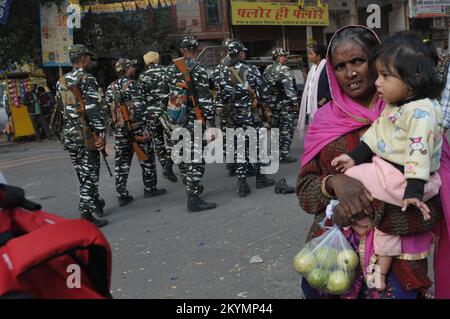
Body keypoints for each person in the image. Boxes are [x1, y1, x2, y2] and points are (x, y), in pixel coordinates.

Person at [297, 25, 450, 299]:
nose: (351, 73)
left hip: (402, 261)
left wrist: (374, 209)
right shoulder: (324, 121)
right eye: (340, 65)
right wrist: (335, 184)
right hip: (337, 257)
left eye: (358, 60)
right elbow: (305, 192)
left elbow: (433, 198)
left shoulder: (416, 116)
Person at [160, 35, 217, 212]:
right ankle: (193, 199)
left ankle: (191, 189)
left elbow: (163, 97)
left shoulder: (169, 70)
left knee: (184, 157)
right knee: (197, 158)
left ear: (182, 50)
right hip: (194, 119)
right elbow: (205, 98)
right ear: (196, 49)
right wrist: (211, 124)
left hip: (175, 118)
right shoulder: (197, 68)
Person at [55, 45, 108, 227]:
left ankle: (94, 203)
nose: (90, 61)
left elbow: (61, 109)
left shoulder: (60, 81)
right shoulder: (87, 79)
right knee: (90, 175)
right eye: (88, 57)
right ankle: (86, 214)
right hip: (86, 134)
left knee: (82, 173)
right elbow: (93, 109)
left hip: (69, 134)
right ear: (83, 58)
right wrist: (100, 135)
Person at [216, 40, 275, 197]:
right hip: (250, 116)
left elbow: (220, 97)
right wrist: (260, 101)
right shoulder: (251, 69)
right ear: (240, 53)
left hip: (233, 117)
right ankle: (260, 178)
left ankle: (242, 184)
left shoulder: (222, 72)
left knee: (239, 149)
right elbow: (264, 93)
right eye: (243, 52)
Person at [106, 58, 167, 207]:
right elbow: (140, 108)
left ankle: (121, 195)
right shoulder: (133, 85)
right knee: (147, 160)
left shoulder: (111, 87)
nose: (134, 68)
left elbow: (108, 110)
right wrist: (147, 127)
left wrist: (114, 128)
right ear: (126, 69)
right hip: (137, 128)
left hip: (120, 130)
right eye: (131, 66)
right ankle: (150, 188)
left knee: (121, 163)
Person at [139, 51, 177, 183]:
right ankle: (168, 165)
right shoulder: (165, 72)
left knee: (158, 141)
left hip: (150, 114)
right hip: (164, 112)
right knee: (174, 139)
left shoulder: (142, 76)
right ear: (157, 59)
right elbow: (172, 92)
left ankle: (165, 166)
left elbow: (141, 98)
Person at [264, 48, 299, 163]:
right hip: (284, 104)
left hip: (273, 104)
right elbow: (289, 89)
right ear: (277, 57)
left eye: (285, 56)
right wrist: (295, 103)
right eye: (282, 56)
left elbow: (264, 88)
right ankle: (284, 154)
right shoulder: (284, 69)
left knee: (275, 129)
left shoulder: (267, 69)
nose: (285, 58)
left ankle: (274, 153)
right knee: (287, 129)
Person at [298, 43, 327, 141]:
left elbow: (332, 88)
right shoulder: (313, 69)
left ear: (318, 56)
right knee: (315, 134)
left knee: (322, 133)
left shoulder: (326, 68)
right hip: (313, 107)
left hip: (322, 107)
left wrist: (322, 101)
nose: (309, 56)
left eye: (311, 54)